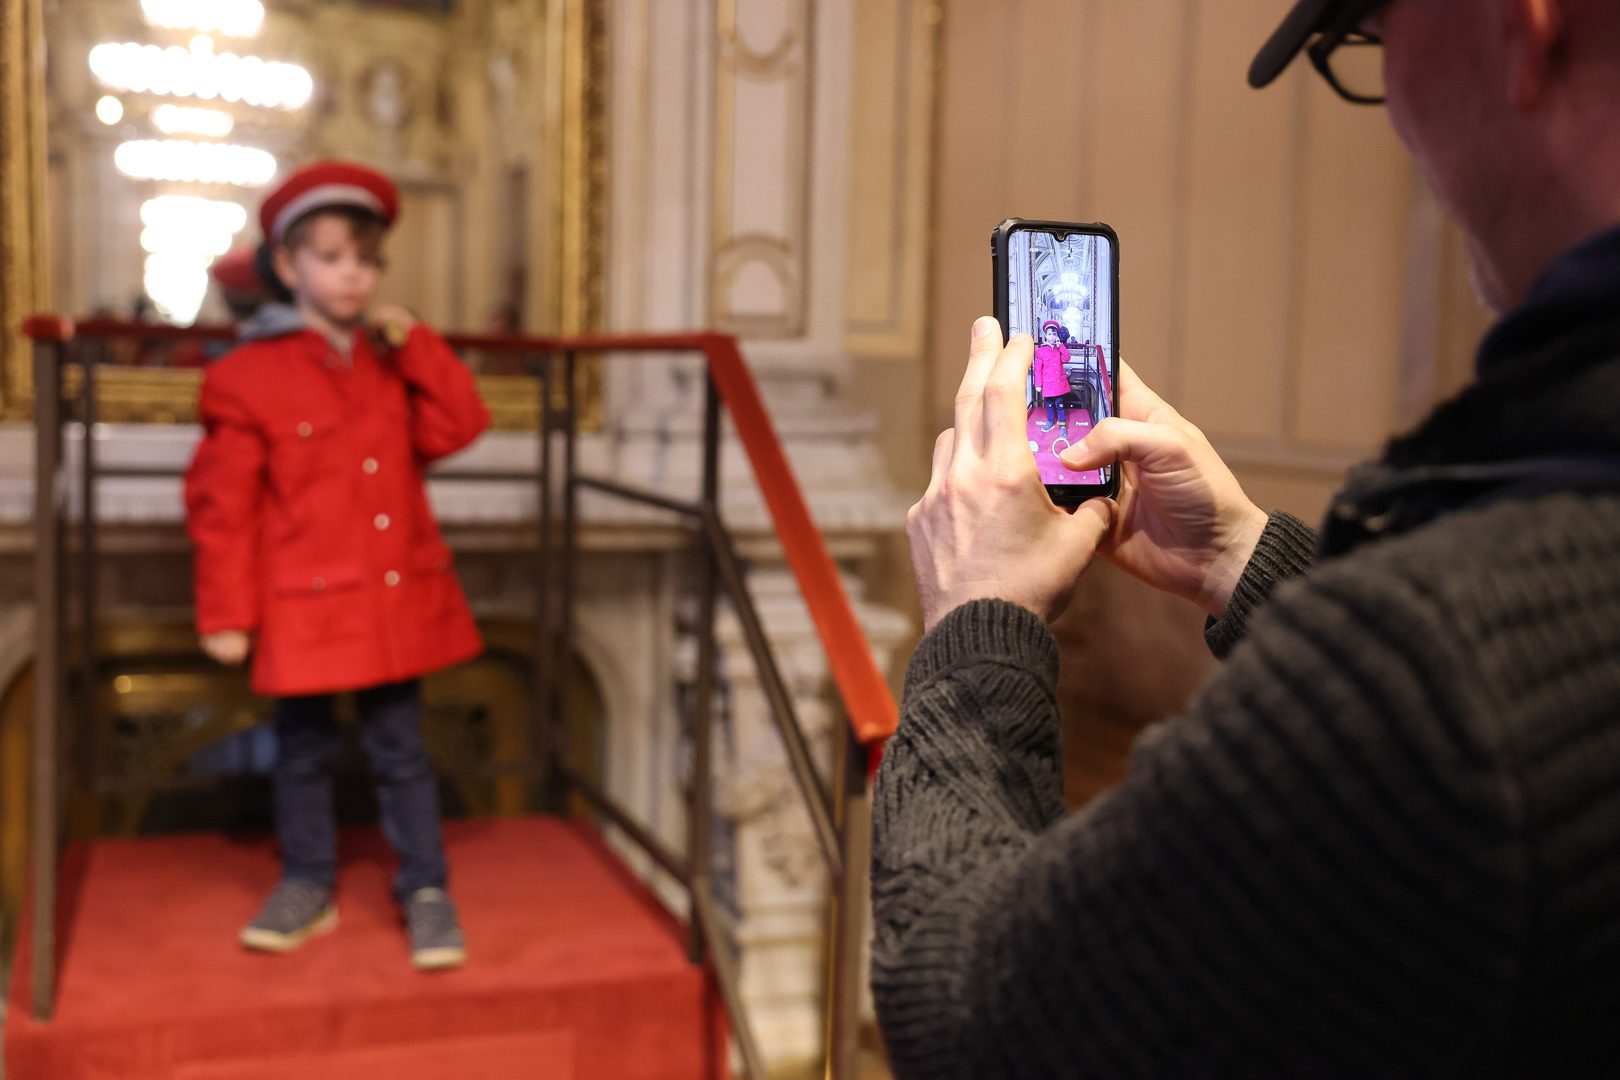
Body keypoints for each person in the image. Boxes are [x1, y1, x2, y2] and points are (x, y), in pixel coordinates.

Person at [873, 0, 1620, 1074]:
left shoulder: (1430, 674)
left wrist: (977, 625)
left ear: (1527, 22)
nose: (1400, 121)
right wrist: (1245, 561)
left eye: (1370, 33)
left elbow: (972, 1018)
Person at [184, 161, 490, 971]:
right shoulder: (246, 376)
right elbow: (225, 506)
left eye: (364, 258)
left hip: (391, 597)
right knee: (305, 751)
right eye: (329, 256)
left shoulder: (393, 363)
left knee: (402, 751)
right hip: (306, 600)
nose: (350, 273)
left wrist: (415, 338)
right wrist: (226, 613)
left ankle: (426, 888)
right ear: (288, 267)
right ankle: (307, 882)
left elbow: (459, 424)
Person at [1032, 320, 1071, 434]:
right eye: (1049, 334)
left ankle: (1062, 426)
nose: (1052, 337)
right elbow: (1037, 369)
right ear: (1045, 336)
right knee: (1049, 405)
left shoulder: (1059, 349)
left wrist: (1061, 346)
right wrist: (1038, 384)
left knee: (1060, 405)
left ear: (1056, 335)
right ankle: (1050, 421)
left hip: (1058, 384)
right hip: (1048, 384)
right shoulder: (1040, 351)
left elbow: (1066, 358)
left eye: (1054, 334)